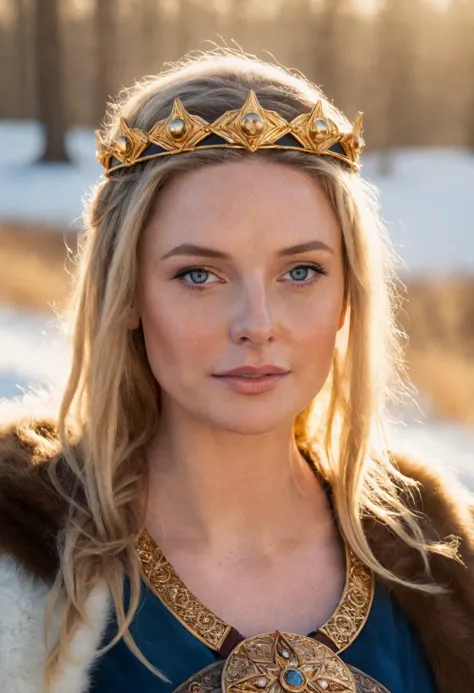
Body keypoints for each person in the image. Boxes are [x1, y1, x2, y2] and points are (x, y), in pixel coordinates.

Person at [0, 49, 473, 693]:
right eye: (199, 274)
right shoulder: (21, 568)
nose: (257, 322)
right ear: (129, 295)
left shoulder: (441, 564)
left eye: (300, 272)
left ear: (347, 297)